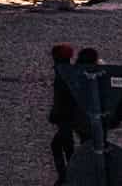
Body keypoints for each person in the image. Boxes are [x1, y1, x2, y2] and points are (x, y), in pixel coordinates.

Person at [47, 43, 76, 185]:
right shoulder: (70, 72)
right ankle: (68, 175)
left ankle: (66, 176)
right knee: (65, 146)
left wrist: (55, 113)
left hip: (65, 118)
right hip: (68, 117)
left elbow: (61, 97)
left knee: (62, 146)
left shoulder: (62, 74)